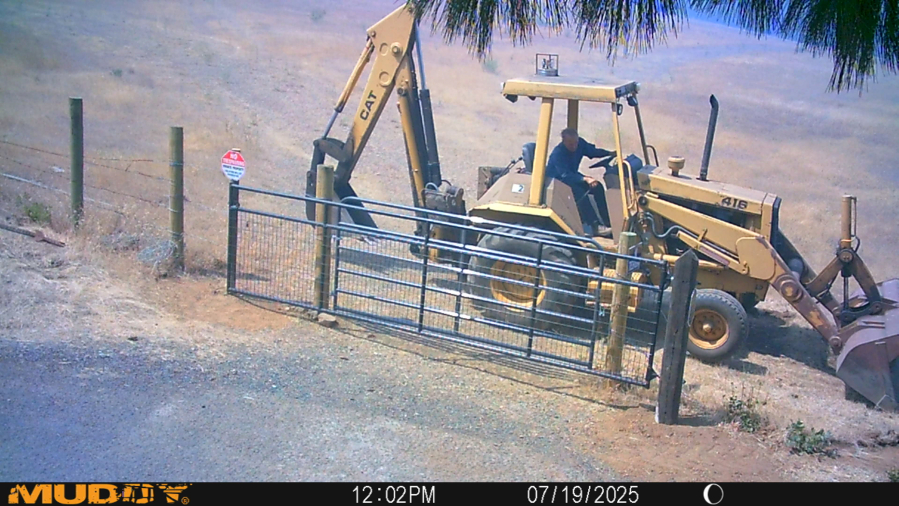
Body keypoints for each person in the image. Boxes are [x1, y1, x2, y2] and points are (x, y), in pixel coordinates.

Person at [545, 128, 615, 237]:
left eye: (575, 143)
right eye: (570, 144)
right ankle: (595, 226)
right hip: (557, 181)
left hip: (572, 176)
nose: (574, 146)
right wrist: (585, 179)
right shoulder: (558, 154)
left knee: (597, 186)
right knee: (580, 191)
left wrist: (610, 153)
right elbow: (565, 175)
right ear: (563, 141)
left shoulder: (580, 144)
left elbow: (593, 152)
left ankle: (608, 222)